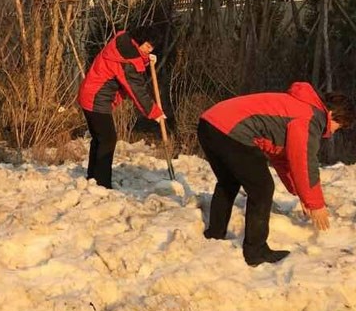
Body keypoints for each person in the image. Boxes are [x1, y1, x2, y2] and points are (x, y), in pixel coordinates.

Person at [198, 82, 353, 266]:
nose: (335, 131)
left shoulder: (299, 107)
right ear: (332, 115)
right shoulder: (310, 117)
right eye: (340, 126)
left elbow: (282, 156)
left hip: (209, 124)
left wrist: (301, 194)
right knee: (262, 189)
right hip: (231, 130)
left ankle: (215, 234)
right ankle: (256, 251)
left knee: (229, 182)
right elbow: (303, 160)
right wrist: (316, 203)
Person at [76, 26, 166, 189]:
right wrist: (154, 112)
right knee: (108, 139)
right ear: (138, 42)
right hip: (96, 98)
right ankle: (102, 184)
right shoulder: (126, 60)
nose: (148, 50)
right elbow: (136, 89)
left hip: (90, 93)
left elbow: (136, 58)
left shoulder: (123, 43)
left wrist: (146, 59)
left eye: (151, 48)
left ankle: (93, 178)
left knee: (100, 138)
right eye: (147, 46)